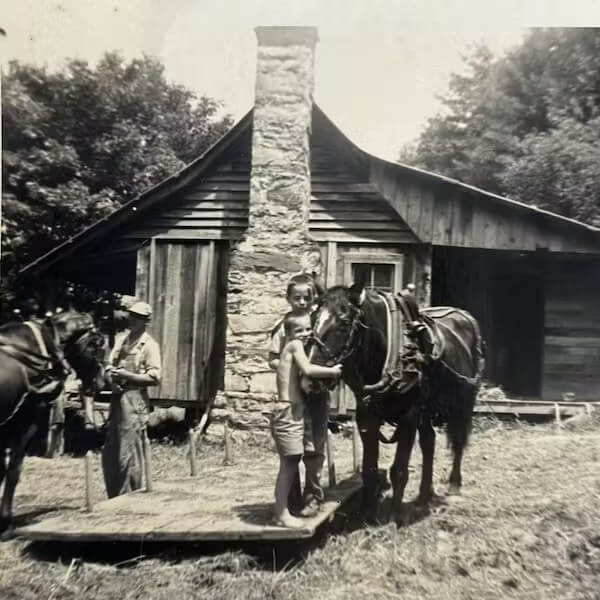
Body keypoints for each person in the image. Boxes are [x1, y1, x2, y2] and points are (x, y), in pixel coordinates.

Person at [269, 273, 332, 517]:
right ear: (288, 298)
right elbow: (273, 359)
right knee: (293, 449)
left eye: (307, 298)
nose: (302, 302)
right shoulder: (285, 327)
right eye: (297, 298)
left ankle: (313, 495)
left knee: (315, 447)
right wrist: (294, 370)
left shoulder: (319, 324)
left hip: (317, 395)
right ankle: (291, 497)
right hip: (295, 396)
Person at [271, 312, 342, 528]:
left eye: (307, 329)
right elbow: (309, 369)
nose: (304, 334)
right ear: (289, 332)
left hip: (292, 412)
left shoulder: (293, 347)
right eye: (298, 330)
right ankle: (281, 514)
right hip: (289, 413)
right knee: (288, 466)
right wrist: (332, 371)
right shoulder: (293, 346)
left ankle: (280, 511)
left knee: (289, 464)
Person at [101, 301, 161, 498]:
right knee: (112, 450)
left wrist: (127, 376)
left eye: (137, 318)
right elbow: (109, 365)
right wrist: (112, 380)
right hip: (118, 397)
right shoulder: (122, 340)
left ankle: (131, 497)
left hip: (135, 399)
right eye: (131, 316)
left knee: (130, 451)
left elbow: (154, 378)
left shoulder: (149, 346)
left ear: (146, 322)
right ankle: (113, 496)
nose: (132, 320)